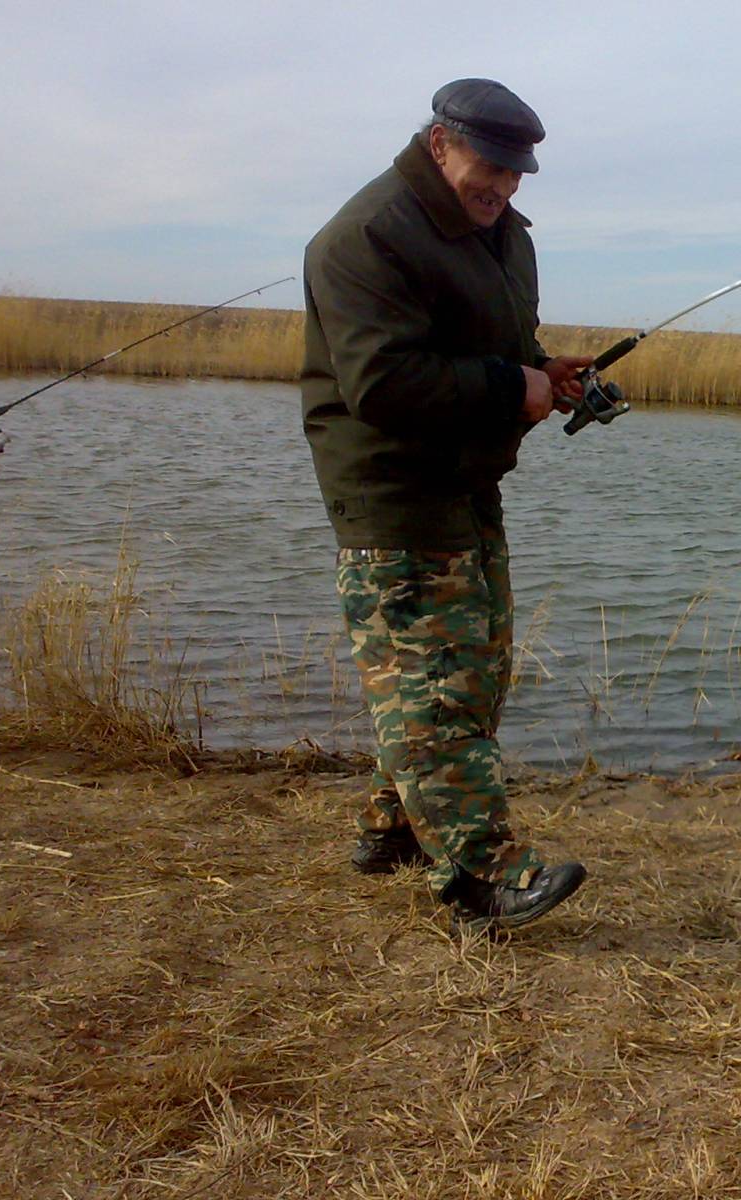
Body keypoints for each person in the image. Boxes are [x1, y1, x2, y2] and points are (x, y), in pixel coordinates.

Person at [300, 79, 592, 934]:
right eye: (487, 170)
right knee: (434, 687)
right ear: (439, 143)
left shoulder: (496, 233)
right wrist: (514, 386)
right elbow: (384, 384)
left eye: (515, 176)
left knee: (472, 673)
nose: (501, 190)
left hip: (468, 484)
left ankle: (393, 827)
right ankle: (481, 878)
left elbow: (494, 346)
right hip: (393, 493)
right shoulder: (363, 238)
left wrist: (548, 374)